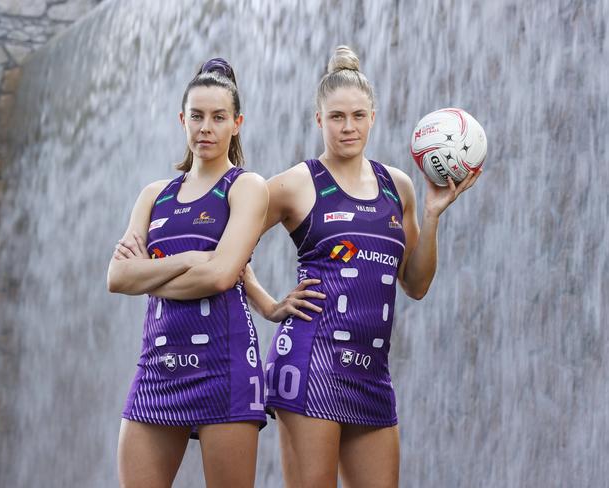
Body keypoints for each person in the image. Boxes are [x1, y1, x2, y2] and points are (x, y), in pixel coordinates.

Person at [243, 45, 481, 488]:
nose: (348, 126)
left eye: (357, 115)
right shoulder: (298, 182)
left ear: (373, 115)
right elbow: (232, 244)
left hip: (371, 372)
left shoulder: (400, 187)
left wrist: (432, 214)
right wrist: (269, 305)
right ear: (319, 119)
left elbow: (416, 284)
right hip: (311, 362)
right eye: (336, 117)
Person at [107, 58, 269, 488]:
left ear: (237, 123)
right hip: (157, 366)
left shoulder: (247, 187)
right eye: (196, 116)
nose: (206, 127)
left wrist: (151, 272)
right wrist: (187, 260)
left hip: (225, 364)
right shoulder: (153, 195)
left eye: (218, 117)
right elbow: (116, 279)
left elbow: (219, 278)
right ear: (182, 119)